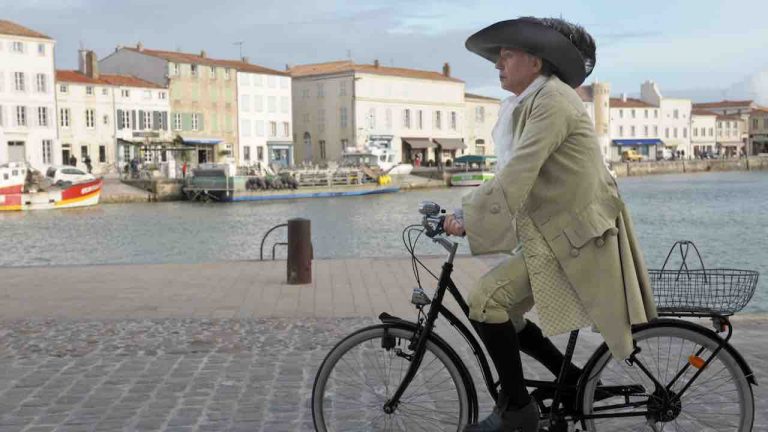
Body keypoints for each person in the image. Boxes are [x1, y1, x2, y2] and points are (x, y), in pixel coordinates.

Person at [443, 17, 657, 431]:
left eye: (507, 55)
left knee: (486, 300)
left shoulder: (553, 101)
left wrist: (467, 217)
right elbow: (513, 178)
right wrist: (462, 211)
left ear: (536, 62)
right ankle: (572, 381)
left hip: (576, 237)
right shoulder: (533, 102)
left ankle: (518, 411)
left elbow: (519, 171)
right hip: (556, 232)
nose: (498, 64)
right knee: (502, 309)